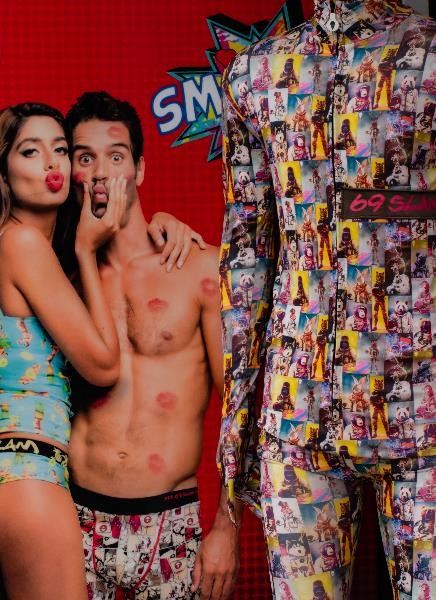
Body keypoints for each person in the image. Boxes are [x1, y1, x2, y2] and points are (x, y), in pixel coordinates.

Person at [0, 103, 200, 598]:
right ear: (3, 170)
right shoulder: (25, 245)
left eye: (61, 150)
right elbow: (102, 365)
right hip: (26, 479)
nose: (52, 164)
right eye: (31, 152)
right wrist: (83, 246)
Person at [218, 1, 436, 599]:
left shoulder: (429, 54)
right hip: (298, 420)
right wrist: (236, 427)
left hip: (423, 414)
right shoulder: (256, 76)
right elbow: (247, 259)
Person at [62, 91, 238, 600]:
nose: (99, 172)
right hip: (72, 519)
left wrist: (227, 527)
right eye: (83, 157)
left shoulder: (200, 268)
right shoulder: (57, 274)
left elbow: (239, 409)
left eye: (115, 156)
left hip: (171, 523)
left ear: (139, 169)